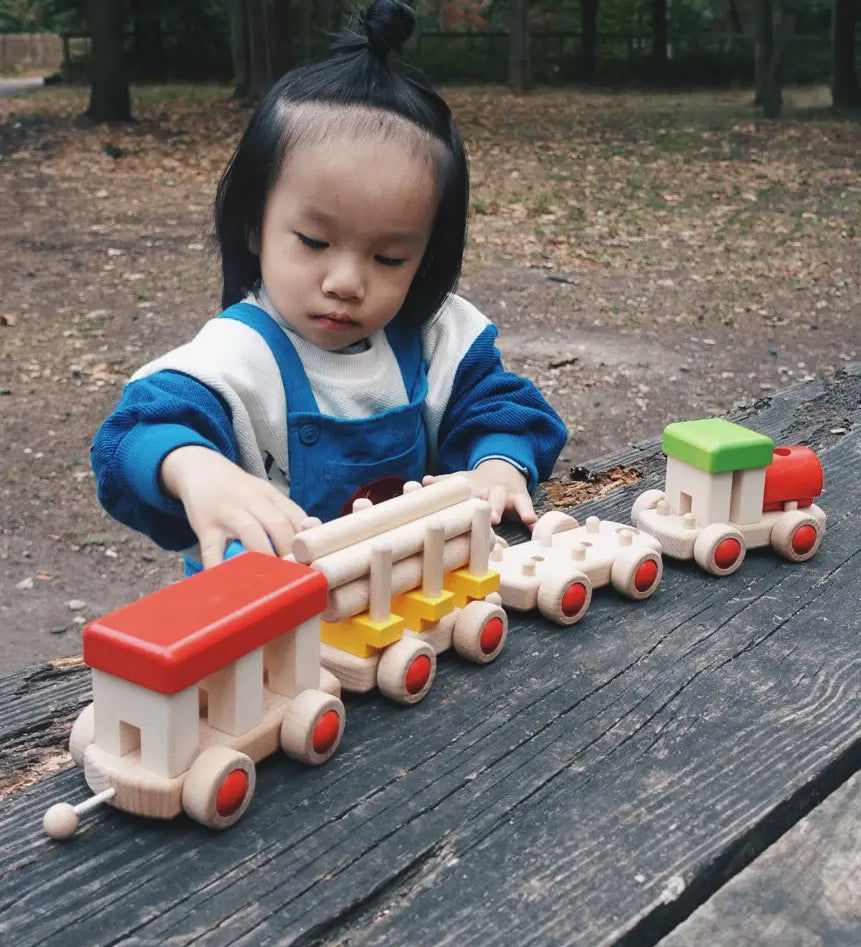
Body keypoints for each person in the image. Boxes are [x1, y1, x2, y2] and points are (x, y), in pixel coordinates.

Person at [91, 0, 568, 573]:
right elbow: (128, 440)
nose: (345, 283)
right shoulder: (239, 357)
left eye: (389, 257)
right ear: (253, 225)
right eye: (314, 242)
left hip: (417, 600)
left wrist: (499, 464)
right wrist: (195, 468)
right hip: (269, 630)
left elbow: (503, 410)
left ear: (427, 256)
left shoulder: (434, 336)